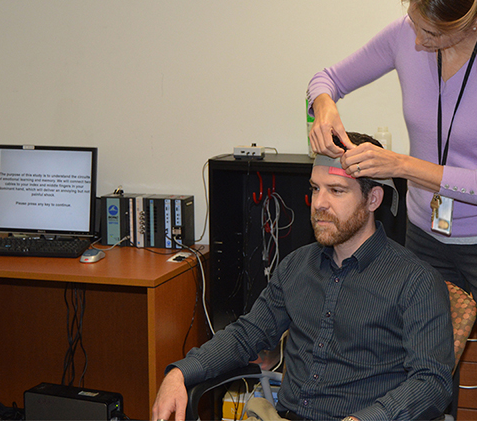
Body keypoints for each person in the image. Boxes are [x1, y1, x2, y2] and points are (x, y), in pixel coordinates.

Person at [306, 0, 477, 421]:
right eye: (414, 24)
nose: (417, 42)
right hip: (426, 239)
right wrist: (322, 106)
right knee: (423, 380)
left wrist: (402, 166)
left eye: (431, 35)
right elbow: (325, 78)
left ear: (475, 22)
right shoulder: (404, 35)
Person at [151, 132, 455, 421]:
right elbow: (246, 334)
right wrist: (180, 372)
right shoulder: (297, 266)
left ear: (373, 199)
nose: (319, 203)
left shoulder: (415, 281)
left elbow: (431, 383)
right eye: (315, 188)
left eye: (336, 191)